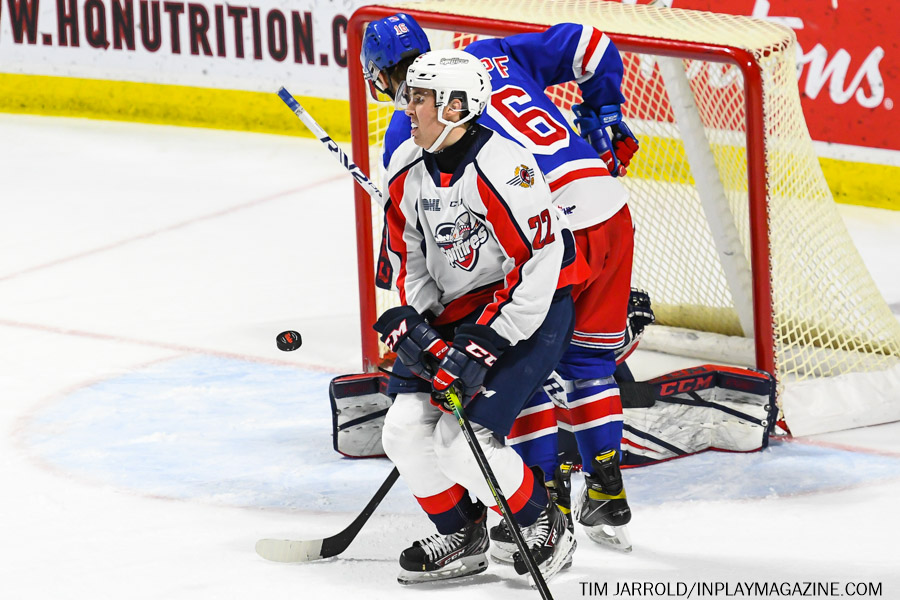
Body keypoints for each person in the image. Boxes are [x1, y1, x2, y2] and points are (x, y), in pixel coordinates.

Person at [361, 14, 640, 554]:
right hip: (608, 204)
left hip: (547, 228)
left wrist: (450, 326)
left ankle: (547, 504)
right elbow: (589, 42)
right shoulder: (488, 54)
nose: (411, 107)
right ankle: (607, 491)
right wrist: (603, 113)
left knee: (522, 365)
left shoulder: (407, 131)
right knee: (589, 363)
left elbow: (437, 244)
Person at [373, 49, 585, 585]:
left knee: (459, 442)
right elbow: (410, 261)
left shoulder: (505, 168)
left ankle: (543, 520)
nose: (407, 107)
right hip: (461, 313)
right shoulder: (406, 169)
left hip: (532, 310)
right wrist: (421, 326)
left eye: (420, 98)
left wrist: (484, 344)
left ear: (456, 106)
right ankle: (461, 533)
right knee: (402, 430)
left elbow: (539, 268)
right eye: (409, 95)